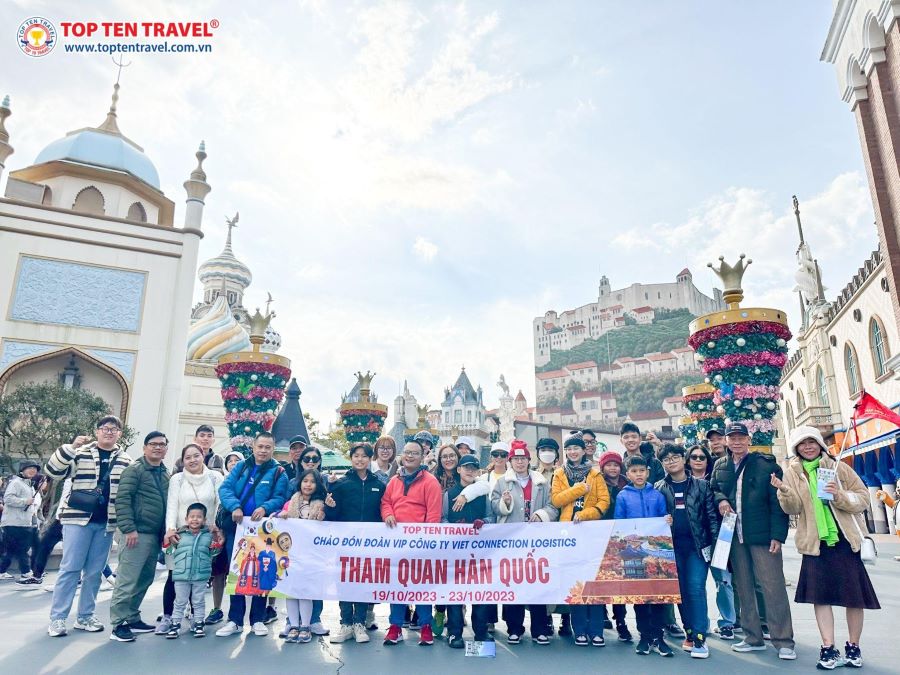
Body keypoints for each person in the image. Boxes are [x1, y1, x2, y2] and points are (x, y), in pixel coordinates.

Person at [773, 426, 880, 670]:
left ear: (820, 444)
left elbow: (863, 498)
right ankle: (828, 647)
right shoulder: (792, 473)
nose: (808, 447)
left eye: (811, 442)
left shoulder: (838, 467)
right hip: (815, 543)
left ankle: (853, 646)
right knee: (820, 598)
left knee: (854, 597)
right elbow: (793, 509)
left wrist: (839, 495)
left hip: (845, 541)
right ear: (796, 449)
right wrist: (784, 491)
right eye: (802, 444)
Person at [709, 422, 795, 661]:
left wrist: (777, 535)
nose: (736, 442)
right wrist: (721, 500)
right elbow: (713, 489)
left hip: (762, 535)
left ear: (749, 439)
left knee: (773, 587)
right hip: (734, 536)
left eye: (741, 438)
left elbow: (778, 502)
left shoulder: (766, 465)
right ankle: (752, 637)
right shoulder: (720, 465)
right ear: (726, 441)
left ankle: (783, 641)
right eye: (732, 438)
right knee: (743, 586)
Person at [44, 416, 133, 637]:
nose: (109, 432)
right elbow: (53, 471)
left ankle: (85, 616)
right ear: (97, 431)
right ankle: (58, 619)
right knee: (70, 568)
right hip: (77, 519)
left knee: (94, 572)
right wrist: (70, 447)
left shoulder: (125, 460)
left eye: (114, 429)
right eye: (105, 428)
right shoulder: (80, 452)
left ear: (119, 434)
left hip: (105, 523)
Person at [215, 432, 289, 638]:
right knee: (237, 572)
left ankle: (257, 619)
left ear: (273, 449)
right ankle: (235, 620)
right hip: (238, 529)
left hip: (263, 531)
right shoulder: (241, 467)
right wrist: (235, 506)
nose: (263, 451)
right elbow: (225, 489)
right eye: (260, 446)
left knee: (262, 573)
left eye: (268, 447)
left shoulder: (279, 472)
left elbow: (280, 497)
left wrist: (265, 507)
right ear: (254, 447)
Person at [491, 441, 558, 646]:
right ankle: (514, 628)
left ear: (529, 460)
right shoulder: (502, 482)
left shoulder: (541, 482)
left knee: (537, 583)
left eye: (523, 459)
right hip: (512, 542)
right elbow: (493, 506)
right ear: (510, 461)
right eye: (516, 459)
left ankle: (539, 629)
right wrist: (505, 503)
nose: (519, 462)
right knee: (514, 584)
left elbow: (553, 506)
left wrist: (542, 514)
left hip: (536, 541)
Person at [654, 443, 718, 659]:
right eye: (666, 459)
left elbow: (711, 517)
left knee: (695, 588)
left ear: (684, 459)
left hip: (697, 548)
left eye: (675, 457)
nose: (671, 461)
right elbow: (654, 519)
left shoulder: (702, 486)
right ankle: (689, 632)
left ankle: (700, 638)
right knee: (680, 591)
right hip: (671, 549)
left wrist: (715, 546)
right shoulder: (659, 488)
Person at [109, 431, 171, 642]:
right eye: (153, 444)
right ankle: (118, 624)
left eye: (162, 444)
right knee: (127, 580)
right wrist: (128, 529)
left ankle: (132, 617)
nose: (157, 447)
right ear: (144, 448)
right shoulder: (134, 470)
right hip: (136, 534)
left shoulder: (164, 472)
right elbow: (122, 500)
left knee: (144, 579)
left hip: (154, 535)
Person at [156, 443, 224, 634]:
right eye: (188, 457)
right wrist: (170, 530)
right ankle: (168, 617)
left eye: (196, 456)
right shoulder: (177, 479)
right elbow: (172, 505)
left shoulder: (215, 477)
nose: (192, 460)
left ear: (203, 456)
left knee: (199, 576)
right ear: (183, 460)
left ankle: (196, 617)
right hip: (181, 536)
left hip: (204, 536)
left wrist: (216, 527)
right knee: (174, 575)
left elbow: (220, 504)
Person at [381, 440, 442, 646]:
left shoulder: (430, 481)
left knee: (422, 586)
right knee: (397, 584)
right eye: (406, 452)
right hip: (397, 543)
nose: (409, 456)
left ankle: (425, 626)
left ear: (422, 457)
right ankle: (395, 626)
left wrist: (426, 541)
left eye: (414, 453)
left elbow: (433, 514)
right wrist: (388, 514)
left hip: (420, 544)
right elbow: (386, 502)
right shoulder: (394, 481)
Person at [550, 436, 610, 647]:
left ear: (584, 451)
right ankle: (580, 630)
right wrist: (578, 489)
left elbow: (604, 502)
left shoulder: (595, 474)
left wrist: (585, 514)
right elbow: (556, 500)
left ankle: (597, 630)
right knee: (575, 583)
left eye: (576, 448)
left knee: (593, 582)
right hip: (568, 535)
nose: (573, 452)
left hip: (590, 533)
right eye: (569, 449)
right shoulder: (559, 474)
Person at [326, 442, 385, 644]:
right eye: (356, 456)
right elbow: (332, 516)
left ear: (370, 459)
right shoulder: (340, 484)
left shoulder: (379, 485)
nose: (360, 459)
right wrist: (330, 507)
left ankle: (359, 623)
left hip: (369, 544)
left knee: (363, 582)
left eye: (364, 456)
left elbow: (381, 513)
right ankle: (346, 623)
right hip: (345, 544)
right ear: (351, 458)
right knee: (343, 581)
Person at [614, 454, 672, 657]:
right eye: (634, 471)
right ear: (628, 474)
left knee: (658, 595)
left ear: (647, 472)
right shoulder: (623, 496)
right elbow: (619, 524)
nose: (638, 474)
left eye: (641, 471)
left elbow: (664, 519)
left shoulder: (657, 495)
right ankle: (645, 636)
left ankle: (659, 637)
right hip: (634, 554)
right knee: (639, 596)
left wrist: (667, 520)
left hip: (655, 553)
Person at [442, 454, 493, 649]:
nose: (470, 471)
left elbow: (491, 517)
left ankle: (481, 632)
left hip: (479, 553)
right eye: (466, 467)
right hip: (456, 552)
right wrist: (454, 529)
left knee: (480, 593)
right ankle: (454, 633)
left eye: (473, 468)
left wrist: (484, 523)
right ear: (459, 470)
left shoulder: (483, 494)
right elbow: (442, 519)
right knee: (455, 594)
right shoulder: (449, 494)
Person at [277, 468, 326, 643]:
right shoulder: (291, 502)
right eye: (305, 481)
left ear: (318, 485)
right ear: (300, 483)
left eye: (312, 482)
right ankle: (293, 625)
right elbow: (278, 518)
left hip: (310, 555)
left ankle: (305, 625)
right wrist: (280, 515)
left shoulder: (321, 504)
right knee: (290, 590)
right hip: (291, 554)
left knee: (305, 590)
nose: (308, 485)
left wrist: (324, 515)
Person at [164, 502, 222, 638]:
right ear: (186, 519)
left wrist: (216, 535)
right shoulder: (179, 535)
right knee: (179, 602)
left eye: (199, 517)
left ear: (204, 520)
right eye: (192, 516)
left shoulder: (208, 535)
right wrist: (167, 538)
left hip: (200, 575)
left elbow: (215, 552)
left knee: (198, 601)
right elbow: (168, 551)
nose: (195, 519)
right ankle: (175, 624)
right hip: (181, 575)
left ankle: (199, 623)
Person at [205, 450, 245, 625]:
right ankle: (216, 608)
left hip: (239, 533)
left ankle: (236, 615)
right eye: (230, 461)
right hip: (220, 531)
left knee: (236, 572)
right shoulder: (220, 480)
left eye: (237, 460)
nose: (233, 463)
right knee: (218, 572)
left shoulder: (245, 482)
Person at [597, 451, 632, 642]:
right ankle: (602, 614)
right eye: (608, 465)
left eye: (616, 465)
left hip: (622, 537)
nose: (612, 468)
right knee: (602, 578)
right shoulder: (597, 483)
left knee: (619, 581)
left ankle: (621, 620)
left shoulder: (628, 484)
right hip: (601, 535)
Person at [0, 459, 41, 581]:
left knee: (11, 550)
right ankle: (26, 572)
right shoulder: (16, 483)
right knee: (22, 548)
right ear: (22, 470)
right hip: (14, 522)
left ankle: (1, 571)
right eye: (30, 468)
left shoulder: (28, 484)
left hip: (23, 522)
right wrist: (25, 501)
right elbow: (8, 499)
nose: (33, 470)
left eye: (35, 469)